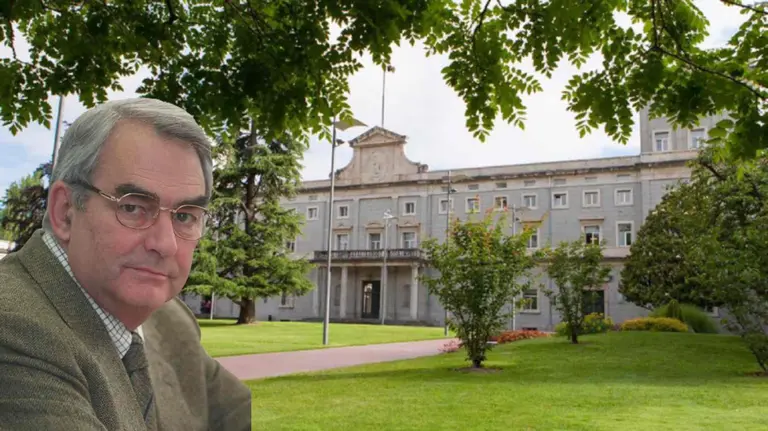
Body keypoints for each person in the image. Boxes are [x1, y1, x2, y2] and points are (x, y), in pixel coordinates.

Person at [0, 98, 251, 430]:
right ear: (65, 212)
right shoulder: (15, 331)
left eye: (185, 216)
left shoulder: (169, 319)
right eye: (132, 207)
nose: (165, 244)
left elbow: (238, 415)